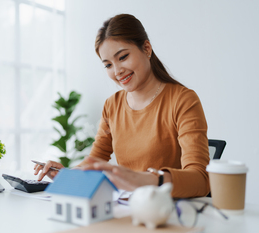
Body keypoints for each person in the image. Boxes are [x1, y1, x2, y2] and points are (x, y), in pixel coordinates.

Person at [34, 14, 210, 198]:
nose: (117, 71)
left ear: (147, 48)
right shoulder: (112, 105)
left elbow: (200, 179)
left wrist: (145, 180)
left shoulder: (183, 100)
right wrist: (67, 175)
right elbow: (95, 162)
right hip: (128, 208)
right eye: (108, 65)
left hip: (169, 211)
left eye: (123, 57)